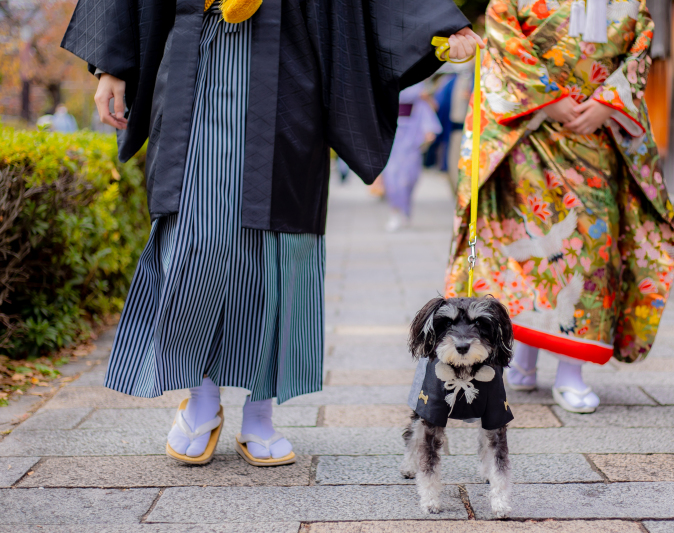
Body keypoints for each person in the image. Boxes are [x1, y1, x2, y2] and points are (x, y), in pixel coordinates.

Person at [61, 0, 482, 464]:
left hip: (288, 67)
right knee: (195, 239)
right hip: (195, 62)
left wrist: (438, 24)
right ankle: (201, 399)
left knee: (277, 250)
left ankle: (260, 411)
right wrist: (111, 66)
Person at [444, 0, 674, 413]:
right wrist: (545, 99)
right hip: (530, 135)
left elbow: (639, 42)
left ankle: (571, 371)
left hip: (596, 134)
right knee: (530, 251)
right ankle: (524, 356)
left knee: (588, 254)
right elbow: (502, 36)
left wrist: (609, 103)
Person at [383, 82, 442, 232]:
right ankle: (395, 211)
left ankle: (405, 209)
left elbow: (428, 109)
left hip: (412, 134)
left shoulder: (419, 93)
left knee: (409, 178)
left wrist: (428, 130)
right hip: (391, 134)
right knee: (391, 177)